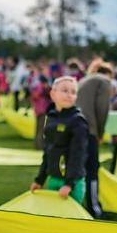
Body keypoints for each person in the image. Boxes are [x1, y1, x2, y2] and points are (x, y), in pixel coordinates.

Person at [31, 76, 89, 204]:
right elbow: (48, 152)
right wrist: (40, 179)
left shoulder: (78, 121)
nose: (69, 95)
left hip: (72, 183)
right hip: (54, 179)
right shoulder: (50, 118)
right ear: (53, 94)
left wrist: (69, 184)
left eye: (73, 92)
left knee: (70, 221)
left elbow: (78, 155)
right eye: (64, 90)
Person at [76, 61, 115, 218]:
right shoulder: (104, 82)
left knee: (76, 168)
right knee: (92, 170)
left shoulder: (84, 80)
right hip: (88, 130)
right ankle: (94, 208)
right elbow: (102, 108)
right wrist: (100, 132)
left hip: (73, 128)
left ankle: (75, 206)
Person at [30, 74, 53, 150]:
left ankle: (36, 145)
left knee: (37, 129)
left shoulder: (36, 87)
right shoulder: (42, 87)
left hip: (37, 109)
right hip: (43, 109)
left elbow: (34, 97)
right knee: (41, 129)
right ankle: (40, 146)